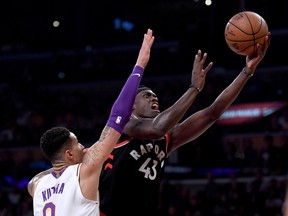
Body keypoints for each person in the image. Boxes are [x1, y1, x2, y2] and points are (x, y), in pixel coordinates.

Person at [99, 32, 271, 216]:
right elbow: (157, 128)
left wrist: (247, 71)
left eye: (155, 96)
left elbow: (212, 113)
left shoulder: (167, 138)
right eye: (147, 95)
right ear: (131, 105)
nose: (153, 98)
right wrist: (194, 88)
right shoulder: (122, 125)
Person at [27, 28, 155, 216]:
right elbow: (117, 118)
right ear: (69, 154)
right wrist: (140, 65)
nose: (85, 148)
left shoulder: (37, 185)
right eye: (78, 145)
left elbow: (37, 179)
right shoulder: (85, 170)